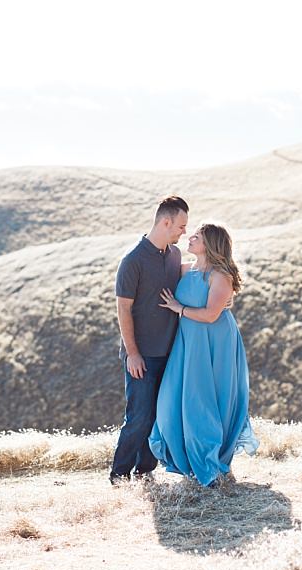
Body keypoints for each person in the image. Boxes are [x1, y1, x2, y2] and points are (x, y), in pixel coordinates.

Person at [149, 222, 259, 487]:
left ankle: (208, 462)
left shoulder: (220, 275)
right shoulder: (188, 269)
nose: (190, 237)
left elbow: (210, 315)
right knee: (171, 400)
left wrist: (179, 308)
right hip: (188, 342)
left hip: (214, 342)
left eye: (196, 236)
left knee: (206, 400)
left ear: (209, 244)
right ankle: (185, 458)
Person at [110, 196, 190, 485]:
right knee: (140, 417)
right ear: (165, 221)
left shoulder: (175, 255)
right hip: (141, 355)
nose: (183, 232)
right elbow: (123, 309)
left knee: (159, 418)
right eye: (181, 226)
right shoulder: (132, 260)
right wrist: (132, 353)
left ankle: (145, 472)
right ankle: (119, 475)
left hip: (170, 353)